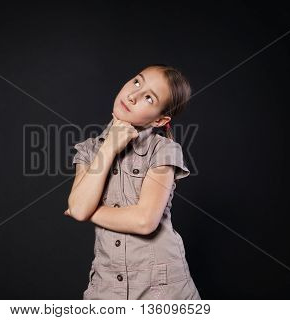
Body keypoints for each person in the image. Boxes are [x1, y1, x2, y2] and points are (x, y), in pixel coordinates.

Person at [65, 64, 201, 300]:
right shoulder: (88, 150)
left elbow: (144, 221)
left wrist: (88, 211)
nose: (133, 95)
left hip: (163, 290)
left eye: (149, 98)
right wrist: (108, 147)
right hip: (105, 288)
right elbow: (78, 209)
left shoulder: (164, 150)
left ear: (160, 120)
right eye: (137, 82)